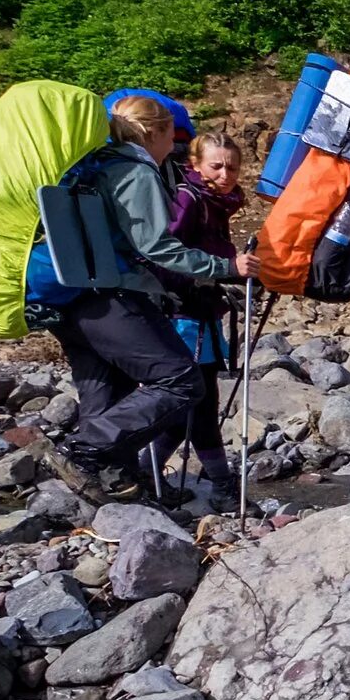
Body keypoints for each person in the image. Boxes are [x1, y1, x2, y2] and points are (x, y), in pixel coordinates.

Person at [33, 94, 257, 497]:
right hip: (110, 295)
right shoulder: (134, 170)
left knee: (106, 391)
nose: (174, 147)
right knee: (182, 382)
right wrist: (224, 269)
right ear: (157, 132)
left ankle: (115, 487)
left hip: (68, 294)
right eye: (173, 137)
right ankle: (83, 451)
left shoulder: (97, 164)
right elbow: (158, 246)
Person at [143, 128, 247, 493]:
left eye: (232, 168)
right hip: (182, 316)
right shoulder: (189, 200)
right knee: (200, 401)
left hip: (201, 314)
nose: (225, 175)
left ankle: (147, 473)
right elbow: (162, 256)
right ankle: (221, 484)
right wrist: (210, 277)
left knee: (192, 402)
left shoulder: (216, 202)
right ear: (195, 165)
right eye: (217, 166)